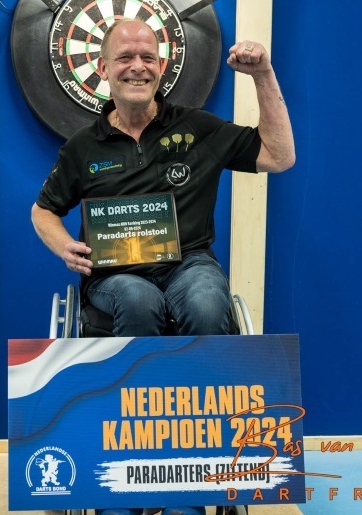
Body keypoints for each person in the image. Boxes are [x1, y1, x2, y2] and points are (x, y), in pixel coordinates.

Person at [31, 19, 294, 339]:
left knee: (206, 303)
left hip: (190, 265)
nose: (138, 67)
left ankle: (203, 387)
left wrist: (263, 75)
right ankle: (134, 391)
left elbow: (279, 156)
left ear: (161, 66)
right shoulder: (83, 146)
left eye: (148, 57)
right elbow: (43, 210)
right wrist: (65, 247)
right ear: (102, 68)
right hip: (114, 274)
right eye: (125, 57)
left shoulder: (197, 128)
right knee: (139, 300)